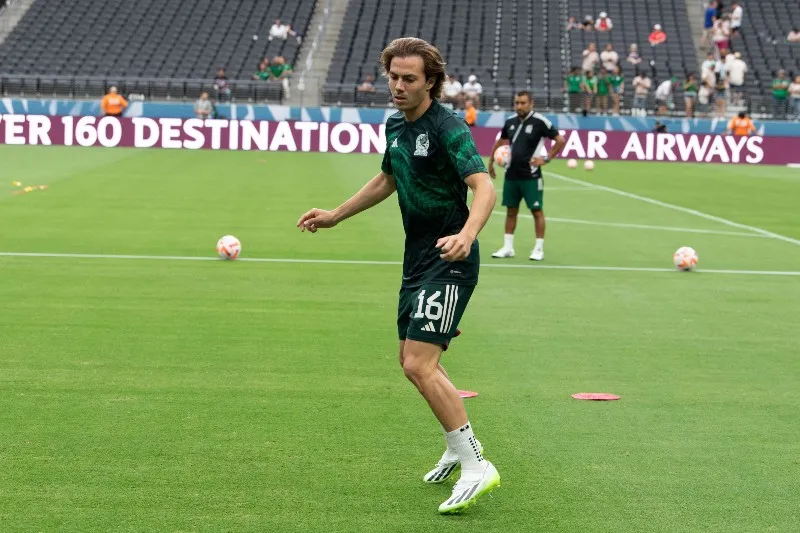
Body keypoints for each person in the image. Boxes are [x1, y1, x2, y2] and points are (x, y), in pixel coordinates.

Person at [296, 37, 499, 515]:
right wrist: (336, 214)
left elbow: (484, 185)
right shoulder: (394, 125)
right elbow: (388, 177)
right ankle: (455, 446)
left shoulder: (448, 127)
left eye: (410, 78)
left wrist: (468, 234)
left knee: (417, 364)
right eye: (394, 77)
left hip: (450, 258)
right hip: (417, 261)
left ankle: (476, 465)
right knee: (412, 359)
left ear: (430, 81)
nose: (399, 86)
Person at [487, 91, 566, 261]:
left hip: (531, 176)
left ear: (531, 104)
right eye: (517, 103)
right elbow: (500, 142)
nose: (519, 106)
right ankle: (508, 248)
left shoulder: (540, 121)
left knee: (536, 211)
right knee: (510, 211)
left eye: (523, 103)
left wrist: (546, 158)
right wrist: (491, 162)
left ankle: (538, 249)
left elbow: (560, 140)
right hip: (511, 175)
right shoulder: (510, 122)